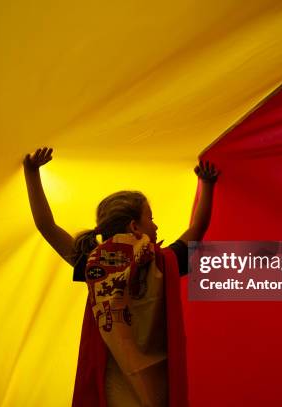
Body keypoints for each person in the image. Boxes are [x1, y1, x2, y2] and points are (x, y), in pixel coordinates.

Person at [23, 147, 219, 407]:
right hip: (157, 389)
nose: (156, 225)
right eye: (151, 217)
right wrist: (207, 184)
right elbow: (198, 228)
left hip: (113, 389)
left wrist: (31, 173)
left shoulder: (95, 262)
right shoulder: (164, 262)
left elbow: (46, 226)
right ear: (134, 227)